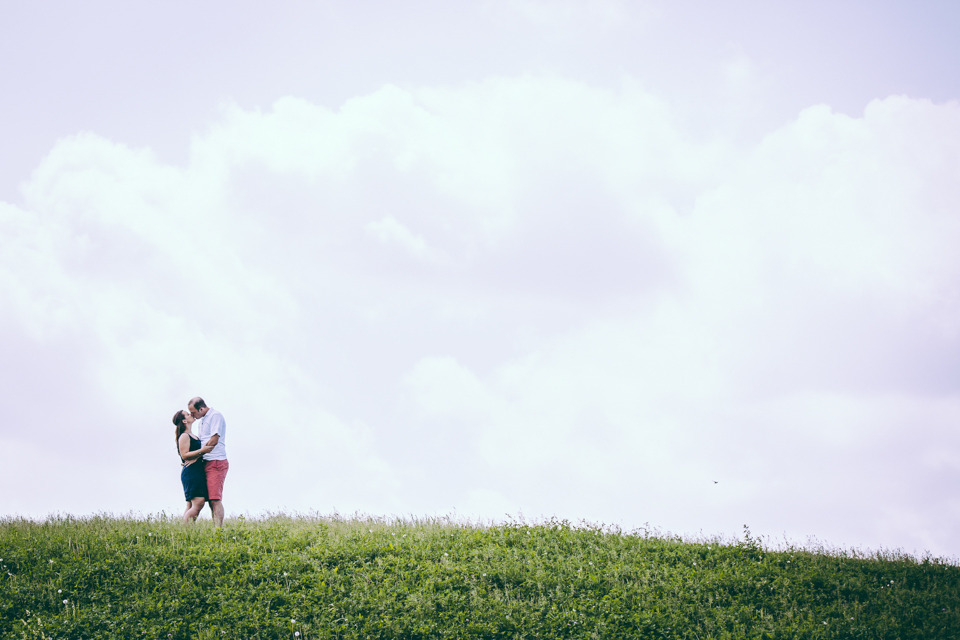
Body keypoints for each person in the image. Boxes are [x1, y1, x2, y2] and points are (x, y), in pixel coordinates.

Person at [189, 396, 229, 527]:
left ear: (201, 409)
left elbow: (214, 440)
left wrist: (197, 454)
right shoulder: (202, 420)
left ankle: (218, 530)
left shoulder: (215, 416)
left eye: (194, 412)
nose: (192, 416)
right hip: (205, 462)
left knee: (215, 499)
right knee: (202, 499)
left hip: (215, 462)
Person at [172, 409, 214, 523]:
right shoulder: (184, 436)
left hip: (196, 471)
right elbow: (184, 455)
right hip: (192, 473)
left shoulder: (192, 435)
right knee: (198, 502)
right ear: (184, 421)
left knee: (191, 504)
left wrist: (199, 454)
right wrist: (202, 451)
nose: (191, 415)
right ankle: (186, 530)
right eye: (187, 414)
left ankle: (186, 531)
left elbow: (193, 453)